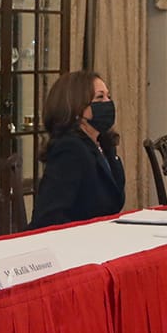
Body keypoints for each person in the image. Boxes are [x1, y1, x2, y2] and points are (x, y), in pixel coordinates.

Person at [29, 70, 125, 228]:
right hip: (72, 243)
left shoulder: (104, 145)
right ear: (75, 107)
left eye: (109, 96)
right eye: (100, 97)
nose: (108, 103)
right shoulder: (70, 149)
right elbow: (50, 216)